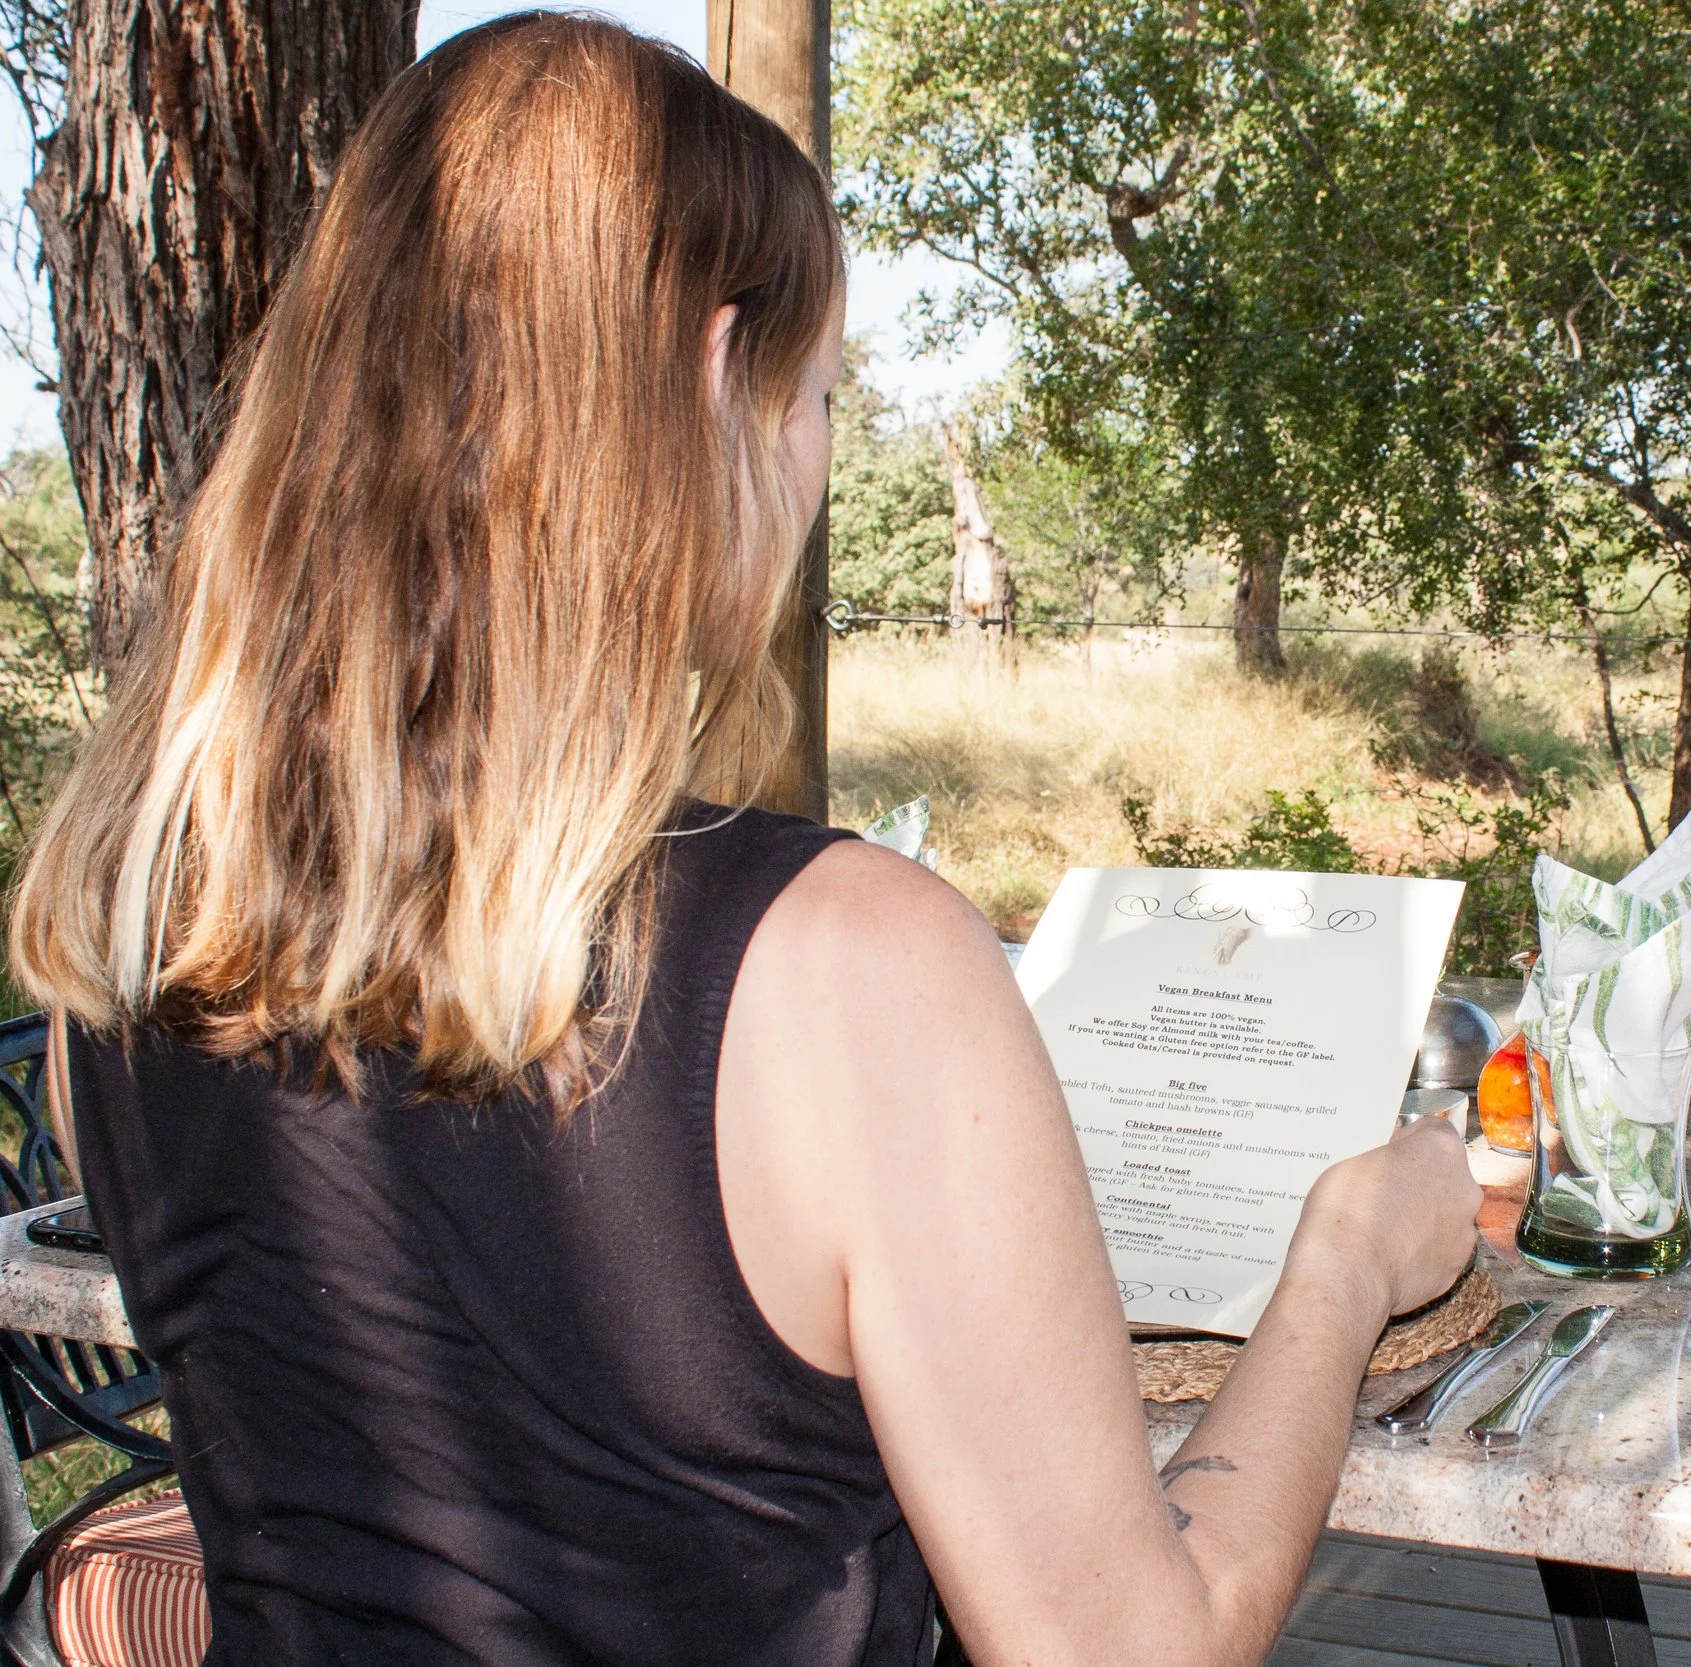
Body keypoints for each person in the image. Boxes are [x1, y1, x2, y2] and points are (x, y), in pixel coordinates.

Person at [6, 15, 1482, 1666]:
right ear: (718, 379)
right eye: (824, 394)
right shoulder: (845, 968)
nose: (821, 464)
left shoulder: (121, 952)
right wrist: (1343, 1266)